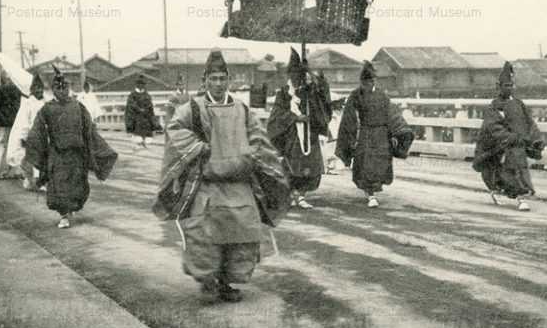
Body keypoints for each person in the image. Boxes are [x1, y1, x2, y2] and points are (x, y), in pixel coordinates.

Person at [153, 49, 289, 302]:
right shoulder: (192, 109)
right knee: (204, 236)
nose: (217, 84)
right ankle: (207, 282)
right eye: (212, 79)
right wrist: (199, 147)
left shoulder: (242, 109)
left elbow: (258, 137)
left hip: (239, 184)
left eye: (221, 78)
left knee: (243, 234)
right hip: (208, 185)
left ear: (229, 80)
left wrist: (250, 155)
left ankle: (227, 282)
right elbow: (175, 129)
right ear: (205, 80)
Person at [26, 66, 118, 229]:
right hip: (59, 154)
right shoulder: (48, 109)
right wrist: (37, 149)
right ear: (54, 89)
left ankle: (69, 210)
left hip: (76, 154)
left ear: (67, 89)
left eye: (64, 87)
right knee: (59, 184)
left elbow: (89, 130)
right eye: (58, 87)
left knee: (75, 184)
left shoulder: (77, 107)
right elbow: (37, 132)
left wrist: (97, 148)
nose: (61, 90)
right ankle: (64, 215)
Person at [335, 61, 414, 208]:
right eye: (366, 81)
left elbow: (392, 113)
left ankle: (372, 191)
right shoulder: (355, 94)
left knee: (380, 164)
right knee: (366, 164)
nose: (369, 83)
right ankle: (370, 194)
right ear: (362, 82)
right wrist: (350, 138)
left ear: (374, 81)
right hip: (365, 133)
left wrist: (400, 130)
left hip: (382, 135)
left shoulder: (382, 95)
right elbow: (349, 117)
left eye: (371, 81)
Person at [473, 62, 543, 211]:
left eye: (511, 85)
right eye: (506, 85)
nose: (509, 88)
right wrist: (508, 137)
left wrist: (534, 139)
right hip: (501, 145)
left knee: (519, 170)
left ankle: (521, 197)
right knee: (501, 171)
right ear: (499, 87)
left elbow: (530, 122)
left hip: (518, 144)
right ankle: (505, 192)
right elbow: (493, 126)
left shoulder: (519, 104)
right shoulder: (494, 105)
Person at [267, 48, 331, 209]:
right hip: (292, 135)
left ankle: (302, 195)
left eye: (299, 74)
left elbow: (322, 103)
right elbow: (276, 114)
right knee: (292, 165)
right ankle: (293, 193)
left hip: (310, 135)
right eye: (293, 74)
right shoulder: (284, 93)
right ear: (289, 75)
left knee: (312, 164)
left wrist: (312, 78)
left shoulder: (310, 91)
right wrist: (295, 117)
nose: (296, 78)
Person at [6, 74, 46, 190]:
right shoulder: (28, 104)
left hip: (42, 135)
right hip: (31, 135)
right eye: (37, 88)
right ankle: (31, 181)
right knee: (31, 159)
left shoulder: (43, 103)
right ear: (32, 90)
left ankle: (36, 181)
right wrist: (24, 137)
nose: (39, 90)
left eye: (41, 88)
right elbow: (22, 122)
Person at [124, 75, 158, 151]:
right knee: (137, 132)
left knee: (148, 132)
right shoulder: (132, 95)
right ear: (136, 84)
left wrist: (147, 111)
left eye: (142, 84)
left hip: (146, 116)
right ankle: (137, 143)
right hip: (136, 116)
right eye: (139, 84)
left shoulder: (147, 95)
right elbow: (130, 106)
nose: (141, 85)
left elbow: (150, 107)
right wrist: (139, 109)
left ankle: (145, 142)